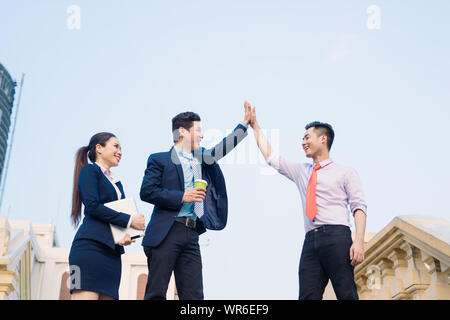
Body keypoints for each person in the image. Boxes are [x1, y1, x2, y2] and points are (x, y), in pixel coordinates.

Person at [247, 102, 367, 300]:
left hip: (337, 237)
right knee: (307, 296)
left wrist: (359, 242)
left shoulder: (345, 172)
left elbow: (359, 208)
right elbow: (271, 158)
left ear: (323, 139)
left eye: (306, 137)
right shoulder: (302, 171)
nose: (303, 142)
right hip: (310, 242)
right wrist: (255, 126)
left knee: (346, 294)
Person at [140, 102, 252, 300]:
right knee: (156, 293)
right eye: (199, 130)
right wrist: (181, 196)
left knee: (194, 297)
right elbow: (147, 191)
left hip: (192, 234)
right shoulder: (159, 159)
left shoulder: (201, 157)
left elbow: (222, 148)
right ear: (182, 131)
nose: (202, 135)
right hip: (167, 232)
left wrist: (243, 125)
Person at [69, 132, 146, 300]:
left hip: (111, 254)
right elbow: (93, 206)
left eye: (121, 148)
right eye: (116, 146)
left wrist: (124, 236)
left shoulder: (117, 183)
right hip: (87, 250)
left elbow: (114, 216)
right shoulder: (90, 170)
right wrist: (130, 220)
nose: (120, 151)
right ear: (99, 148)